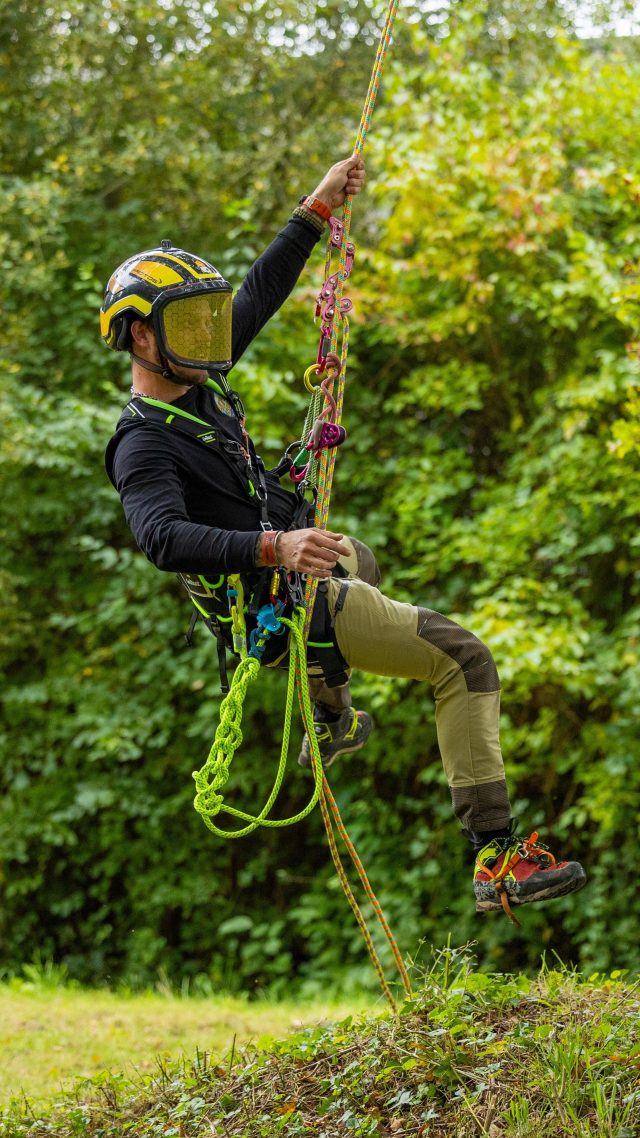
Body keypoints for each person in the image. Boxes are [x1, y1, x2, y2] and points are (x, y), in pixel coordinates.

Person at [102, 153, 586, 918]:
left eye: (207, 320)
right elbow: (161, 538)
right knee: (464, 658)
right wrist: (275, 548)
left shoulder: (201, 382)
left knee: (360, 553)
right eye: (187, 325)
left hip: (290, 578)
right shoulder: (144, 442)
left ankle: (327, 714)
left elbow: (257, 293)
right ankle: (495, 856)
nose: (209, 336)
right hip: (282, 602)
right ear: (136, 337)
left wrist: (316, 209)